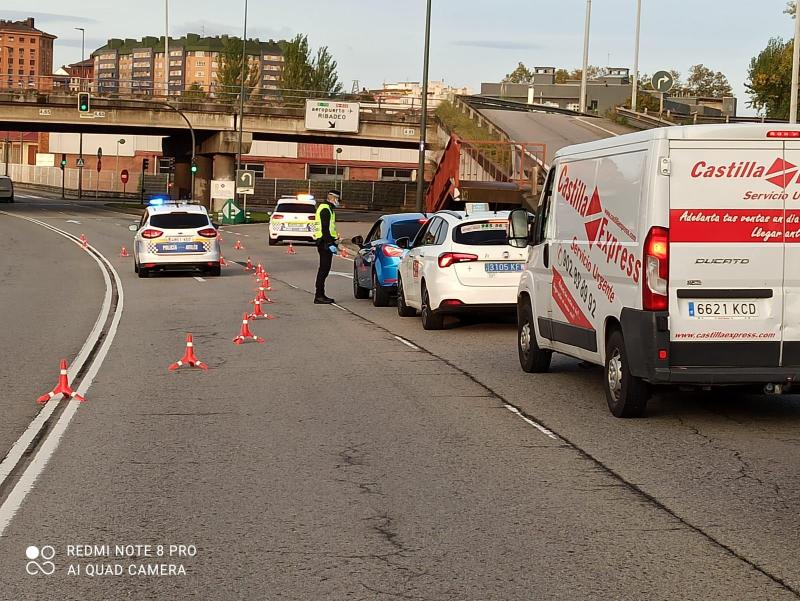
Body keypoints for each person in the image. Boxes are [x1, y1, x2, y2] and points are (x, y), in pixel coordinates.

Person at [312, 190, 340, 304]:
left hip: (326, 242)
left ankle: (320, 294)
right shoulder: (325, 209)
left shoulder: (328, 209)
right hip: (324, 243)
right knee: (323, 270)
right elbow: (325, 228)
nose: (338, 201)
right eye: (337, 199)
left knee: (325, 269)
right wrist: (329, 244)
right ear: (332, 198)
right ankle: (319, 295)